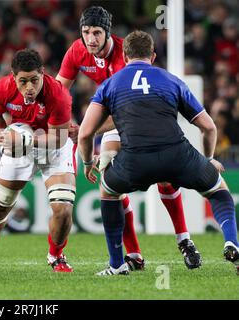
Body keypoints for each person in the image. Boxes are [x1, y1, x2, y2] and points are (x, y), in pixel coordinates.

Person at [78, 30, 239, 276]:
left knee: (109, 192)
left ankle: (117, 264)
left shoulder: (110, 84)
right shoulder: (172, 80)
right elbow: (208, 126)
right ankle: (231, 242)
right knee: (219, 192)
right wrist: (207, 159)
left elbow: (85, 134)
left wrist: (88, 162)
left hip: (134, 160)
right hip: (177, 156)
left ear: (124, 54)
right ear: (152, 56)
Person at [56, 6, 201, 270]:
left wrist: (88, 129)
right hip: (113, 118)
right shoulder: (77, 50)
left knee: (164, 176)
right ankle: (133, 254)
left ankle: (184, 239)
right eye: (86, 32)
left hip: (141, 117)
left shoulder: (126, 57)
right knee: (111, 179)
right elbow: (57, 91)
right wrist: (62, 120)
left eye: (97, 32)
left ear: (108, 33)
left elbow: (129, 110)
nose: (91, 39)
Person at [0, 49, 75, 273]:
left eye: (34, 80)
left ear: (43, 73)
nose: (29, 87)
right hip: (18, 146)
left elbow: (59, 139)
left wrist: (26, 140)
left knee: (63, 209)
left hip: (52, 146)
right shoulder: (2, 88)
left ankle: (56, 256)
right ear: (13, 77)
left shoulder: (58, 95)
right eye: (23, 81)